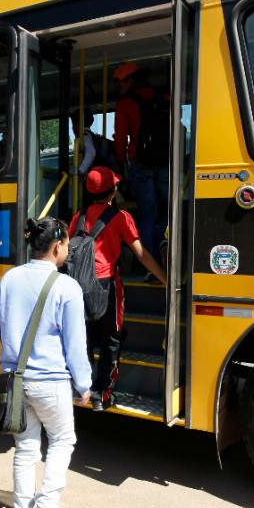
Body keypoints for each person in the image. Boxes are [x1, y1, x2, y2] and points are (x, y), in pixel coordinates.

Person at [0, 217, 92, 508]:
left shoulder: (9, 279)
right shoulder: (67, 286)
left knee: (25, 451)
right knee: (63, 441)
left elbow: (1, 326)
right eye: (66, 245)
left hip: (16, 381)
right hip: (51, 382)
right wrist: (84, 384)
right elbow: (75, 344)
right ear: (57, 246)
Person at [70, 166, 167, 412]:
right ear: (113, 191)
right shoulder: (121, 217)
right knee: (111, 340)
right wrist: (165, 279)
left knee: (84, 339)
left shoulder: (78, 217)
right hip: (107, 288)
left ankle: (81, 388)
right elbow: (141, 254)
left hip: (77, 288)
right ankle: (102, 395)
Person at [113, 61, 169, 262]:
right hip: (166, 161)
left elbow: (120, 138)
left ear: (130, 81)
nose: (119, 87)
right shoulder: (164, 97)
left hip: (140, 162)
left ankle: (151, 263)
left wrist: (119, 163)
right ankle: (166, 247)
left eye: (120, 83)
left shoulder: (125, 103)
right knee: (167, 210)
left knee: (146, 213)